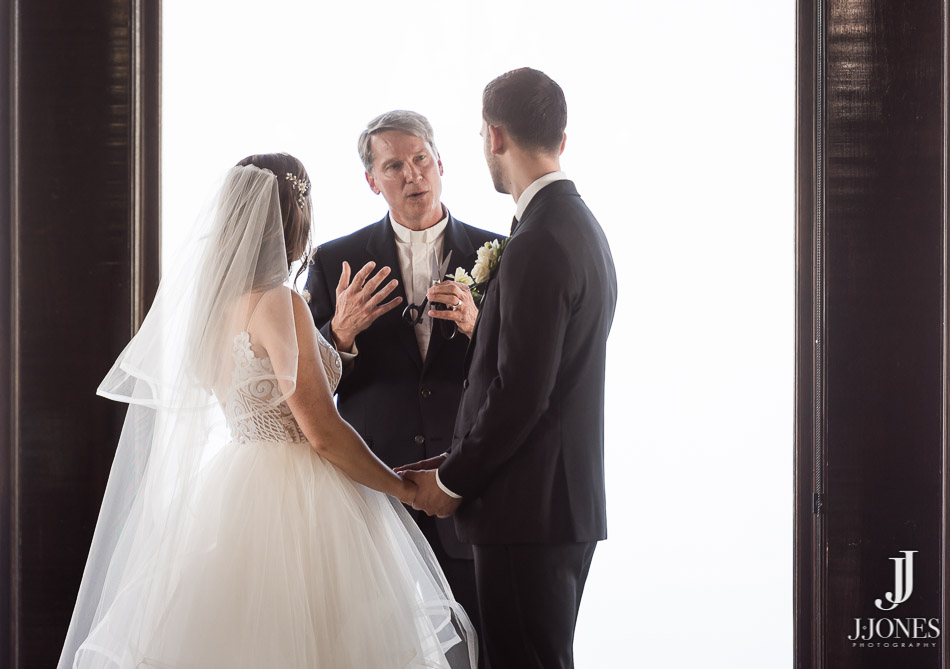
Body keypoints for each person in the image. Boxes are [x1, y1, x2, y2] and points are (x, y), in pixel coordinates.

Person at [57, 153, 476, 669]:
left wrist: (337, 339)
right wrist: (402, 488)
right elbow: (321, 431)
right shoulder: (280, 301)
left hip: (239, 487)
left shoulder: (212, 308)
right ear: (292, 216)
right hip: (303, 498)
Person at [400, 68, 618, 669]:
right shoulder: (577, 227)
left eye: (480, 135)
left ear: (495, 136)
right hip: (553, 507)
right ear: (560, 138)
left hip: (527, 514)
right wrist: (452, 461)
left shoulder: (541, 239)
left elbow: (521, 393)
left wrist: (451, 482)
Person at [303, 110, 502, 665]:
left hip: (463, 486)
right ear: (373, 181)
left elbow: (520, 372)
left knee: (477, 648)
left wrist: (479, 327)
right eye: (394, 166)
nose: (413, 175)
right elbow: (302, 384)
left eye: (421, 160)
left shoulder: (499, 252)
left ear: (440, 163)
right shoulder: (334, 260)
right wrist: (339, 334)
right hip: (372, 490)